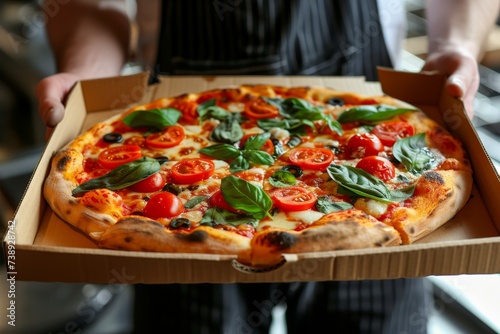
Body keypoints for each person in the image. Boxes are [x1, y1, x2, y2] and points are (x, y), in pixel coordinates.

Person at [35, 1, 499, 333]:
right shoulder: (103, 184)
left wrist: (457, 44)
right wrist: (88, 78)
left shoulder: (415, 190)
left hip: (371, 197)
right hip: (182, 231)